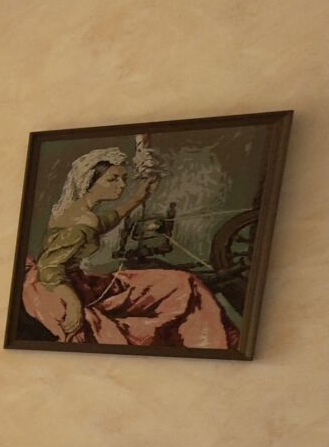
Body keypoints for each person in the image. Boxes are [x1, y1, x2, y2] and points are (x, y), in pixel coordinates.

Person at [21, 135, 234, 349]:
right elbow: (48, 267)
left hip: (77, 283)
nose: (122, 185)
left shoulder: (79, 210)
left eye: (123, 178)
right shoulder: (81, 220)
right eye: (113, 179)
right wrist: (74, 303)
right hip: (58, 289)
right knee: (183, 285)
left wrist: (136, 199)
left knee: (179, 282)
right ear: (89, 181)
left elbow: (102, 223)